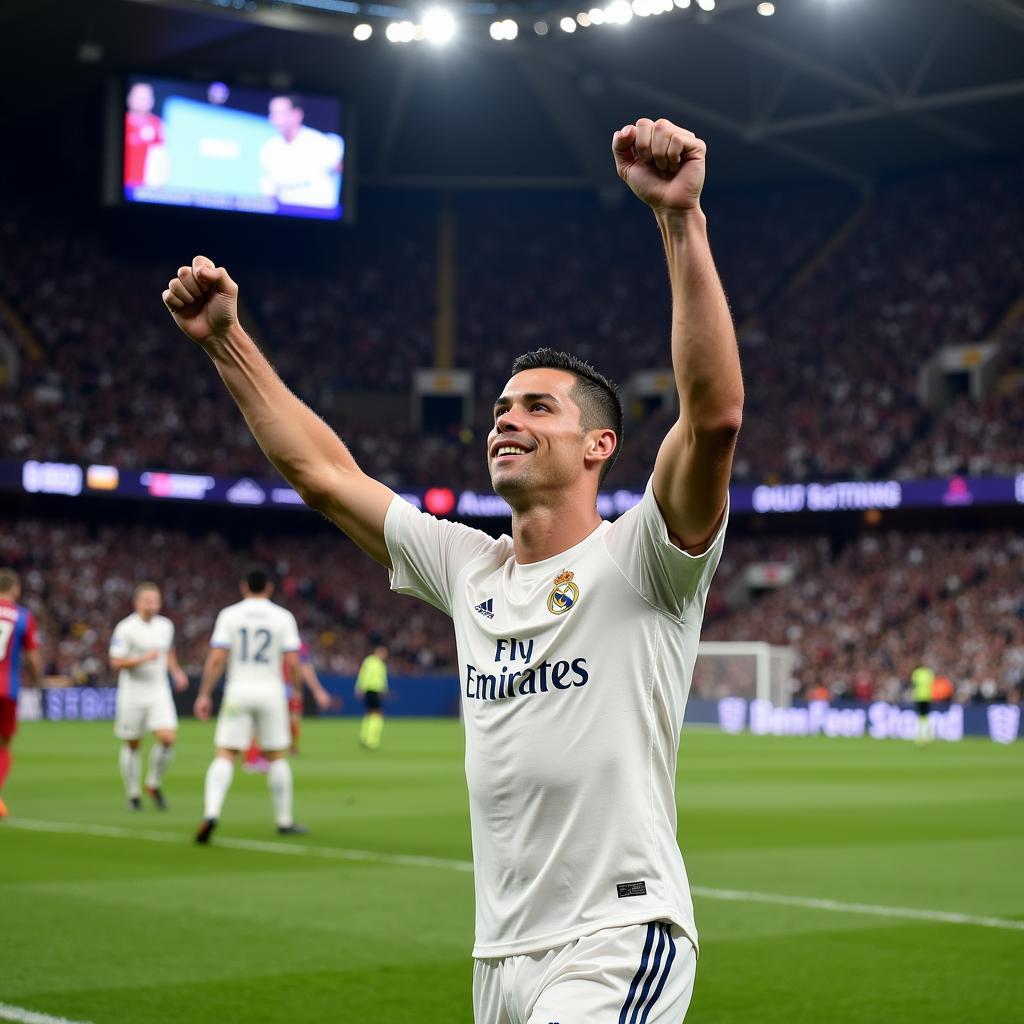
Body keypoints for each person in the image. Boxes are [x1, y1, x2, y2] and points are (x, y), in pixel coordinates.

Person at [163, 116, 742, 1022]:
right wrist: (226, 344)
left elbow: (713, 418)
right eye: (502, 407)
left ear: (600, 445)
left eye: (536, 408)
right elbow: (324, 477)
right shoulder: (467, 567)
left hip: (617, 937)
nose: (505, 420)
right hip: (499, 957)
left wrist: (680, 219)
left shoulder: (647, 558)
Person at [193, 566, 330, 843]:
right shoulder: (283, 617)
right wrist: (296, 693)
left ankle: (211, 812)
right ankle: (284, 820)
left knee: (226, 754)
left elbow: (217, 658)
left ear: (244, 586)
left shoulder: (229, 615)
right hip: (271, 692)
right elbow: (293, 662)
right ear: (269, 588)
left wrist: (205, 693)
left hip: (238, 691)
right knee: (277, 756)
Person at [109, 582, 189, 811]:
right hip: (133, 692)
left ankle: (153, 782)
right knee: (133, 743)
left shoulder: (165, 626)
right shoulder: (125, 628)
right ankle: (133, 793)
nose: (152, 605)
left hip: (158, 690)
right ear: (137, 603)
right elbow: (116, 661)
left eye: (156, 601)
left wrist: (176, 671)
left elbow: (168, 651)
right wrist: (143, 659)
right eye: (148, 601)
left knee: (167, 738)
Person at [243, 637, 331, 771]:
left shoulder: (276, 638)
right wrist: (316, 690)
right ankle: (258, 757)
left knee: (280, 720)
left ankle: (260, 756)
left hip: (271, 685)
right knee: (270, 721)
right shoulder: (293, 642)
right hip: (278, 686)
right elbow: (301, 666)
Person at [0, 569, 43, 819]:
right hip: (7, 688)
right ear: (14, 588)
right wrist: (38, 680)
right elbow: (33, 656)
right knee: (4, 743)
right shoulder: (22, 616)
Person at [260, 93, 343, 209]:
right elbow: (270, 192)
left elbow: (343, 172)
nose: (275, 119)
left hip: (319, 214)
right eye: (272, 113)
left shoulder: (318, 142)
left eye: (280, 113)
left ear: (297, 115)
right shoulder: (269, 149)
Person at [355, 644, 389, 750]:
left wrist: (360, 687)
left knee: (369, 713)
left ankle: (364, 736)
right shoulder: (373, 662)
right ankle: (371, 741)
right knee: (377, 714)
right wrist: (361, 687)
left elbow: (381, 678)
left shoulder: (375, 663)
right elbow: (366, 675)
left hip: (373, 691)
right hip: (372, 690)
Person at [911, 661, 936, 745]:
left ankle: (919, 737)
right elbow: (932, 683)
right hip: (927, 697)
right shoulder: (929, 673)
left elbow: (913, 683)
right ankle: (925, 736)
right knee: (925, 717)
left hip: (918, 697)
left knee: (920, 716)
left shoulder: (916, 673)